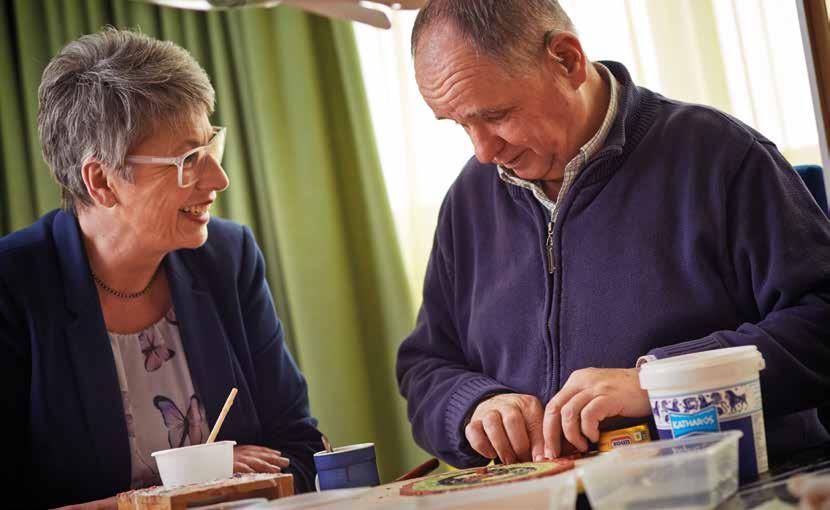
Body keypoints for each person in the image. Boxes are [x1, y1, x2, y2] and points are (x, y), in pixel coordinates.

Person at [396, 0, 830, 469]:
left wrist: (659, 383)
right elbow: (425, 366)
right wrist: (473, 405)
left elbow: (820, 321)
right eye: (461, 123)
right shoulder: (468, 199)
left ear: (567, 60)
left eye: (496, 114)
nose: (482, 152)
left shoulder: (720, 156)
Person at [0, 29, 323, 508]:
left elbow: (298, 449)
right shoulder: (12, 286)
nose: (218, 178)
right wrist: (183, 487)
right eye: (188, 159)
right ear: (102, 181)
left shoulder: (228, 258)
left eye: (211, 144)